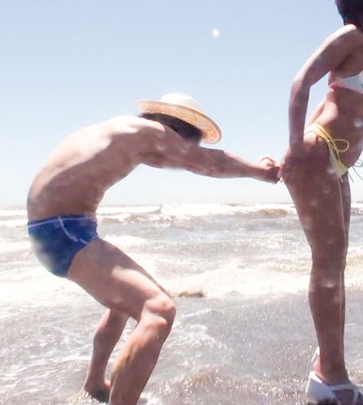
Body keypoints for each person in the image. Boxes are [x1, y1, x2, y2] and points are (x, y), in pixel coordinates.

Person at [26, 93, 278, 405]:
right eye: (190, 143)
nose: (178, 158)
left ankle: (95, 384)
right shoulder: (151, 131)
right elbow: (206, 162)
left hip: (60, 229)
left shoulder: (120, 131)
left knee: (124, 303)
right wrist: (260, 171)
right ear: (177, 130)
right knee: (158, 310)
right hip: (62, 230)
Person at [279, 0, 363, 404]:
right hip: (318, 153)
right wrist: (295, 147)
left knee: (336, 263)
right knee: (328, 262)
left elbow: (343, 99)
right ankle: (330, 376)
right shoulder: (349, 37)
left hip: (337, 164)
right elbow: (300, 83)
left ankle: (328, 361)